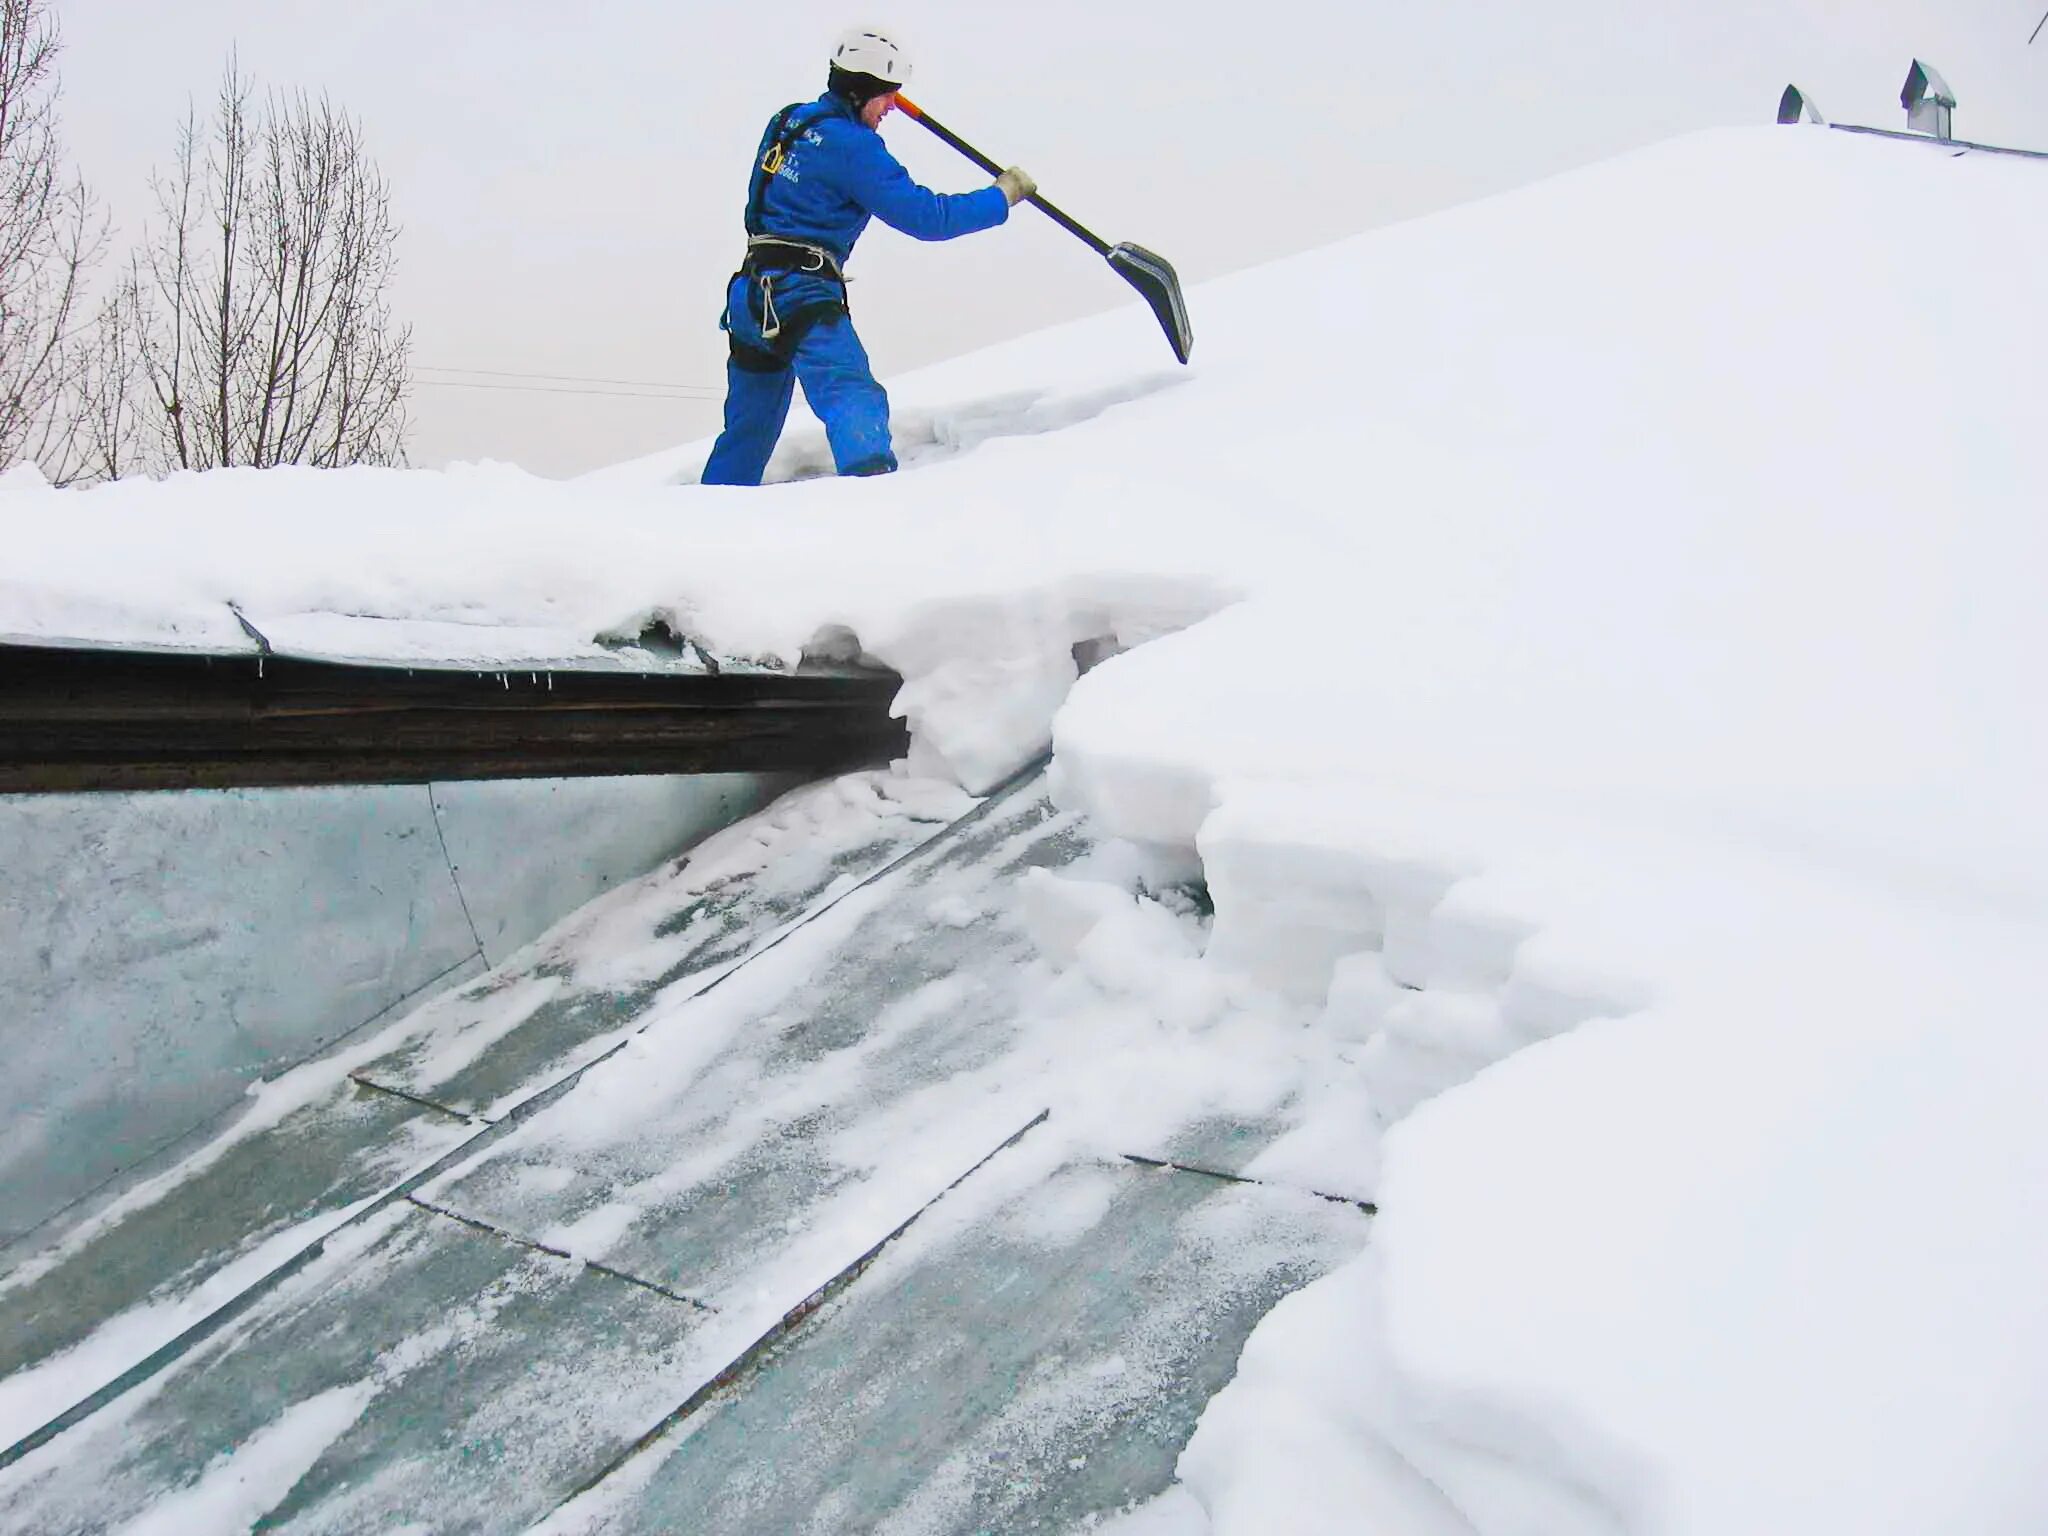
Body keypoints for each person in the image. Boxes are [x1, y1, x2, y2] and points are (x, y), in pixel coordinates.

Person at [700, 28, 1035, 486]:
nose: (890, 109)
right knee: (854, 401)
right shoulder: (855, 148)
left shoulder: (789, 122)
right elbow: (929, 218)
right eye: (886, 97)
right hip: (800, 296)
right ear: (861, 91)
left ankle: (709, 516)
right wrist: (1001, 197)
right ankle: (874, 507)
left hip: (751, 298)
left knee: (748, 431)